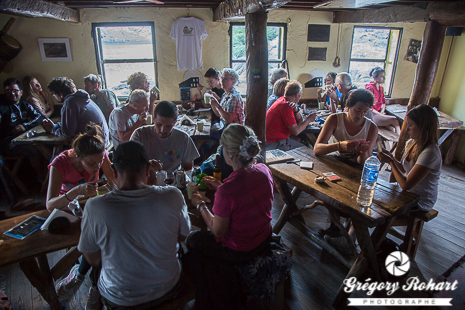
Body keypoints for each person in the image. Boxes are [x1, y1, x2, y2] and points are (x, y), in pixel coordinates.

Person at [78, 140, 191, 309]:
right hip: (168, 288)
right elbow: (183, 235)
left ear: (114, 171)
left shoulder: (95, 206)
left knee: (97, 270)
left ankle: (95, 298)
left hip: (120, 300)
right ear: (148, 169)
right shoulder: (173, 195)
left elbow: (92, 258)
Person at [187, 124, 274, 309]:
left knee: (193, 239)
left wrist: (200, 204)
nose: (221, 152)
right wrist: (220, 186)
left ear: (231, 155)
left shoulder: (228, 190)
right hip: (264, 238)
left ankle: (211, 291)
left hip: (240, 250)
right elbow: (246, 195)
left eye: (223, 149)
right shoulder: (264, 171)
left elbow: (218, 229)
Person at [47, 124, 116, 310]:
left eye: (100, 163)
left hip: (89, 208)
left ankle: (83, 279)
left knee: (103, 238)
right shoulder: (60, 163)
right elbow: (50, 204)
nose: (97, 167)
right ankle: (90, 283)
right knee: (98, 240)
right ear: (78, 157)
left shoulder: (101, 157)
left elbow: (112, 181)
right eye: (92, 164)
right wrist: (75, 191)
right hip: (66, 210)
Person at [378, 105, 441, 212]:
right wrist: (391, 157)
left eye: (411, 125)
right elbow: (404, 170)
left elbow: (406, 185)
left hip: (420, 199)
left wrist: (390, 162)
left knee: (379, 208)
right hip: (406, 193)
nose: (407, 129)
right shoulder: (412, 143)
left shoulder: (430, 153)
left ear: (423, 127)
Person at [131, 100, 199, 173]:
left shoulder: (183, 138)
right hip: (147, 179)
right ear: (153, 120)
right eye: (159, 124)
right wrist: (145, 165)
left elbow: (188, 167)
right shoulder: (140, 134)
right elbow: (129, 164)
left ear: (175, 123)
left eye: (168, 126)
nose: (163, 130)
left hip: (173, 181)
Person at [314, 88, 378, 165]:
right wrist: (339, 146)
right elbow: (317, 149)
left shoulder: (372, 128)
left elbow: (363, 163)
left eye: (365, 111)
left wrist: (363, 152)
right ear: (348, 106)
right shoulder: (334, 119)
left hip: (355, 167)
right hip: (333, 162)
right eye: (358, 110)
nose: (361, 115)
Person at [42, 77, 110, 147]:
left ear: (61, 94)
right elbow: (69, 126)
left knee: (58, 156)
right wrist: (56, 126)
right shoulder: (80, 98)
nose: (53, 96)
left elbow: (68, 132)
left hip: (96, 146)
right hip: (102, 140)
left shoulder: (70, 102)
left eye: (53, 94)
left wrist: (52, 128)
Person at [0, 78, 45, 181]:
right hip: (8, 142)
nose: (12, 93)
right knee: (33, 150)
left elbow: (40, 117)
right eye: (8, 91)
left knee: (43, 146)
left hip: (24, 138)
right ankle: (41, 178)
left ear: (21, 92)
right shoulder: (2, 106)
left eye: (15, 90)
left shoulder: (24, 104)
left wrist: (25, 126)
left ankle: (47, 176)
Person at [265, 80, 316, 151]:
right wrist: (309, 120)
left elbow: (300, 121)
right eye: (300, 94)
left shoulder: (282, 100)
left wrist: (296, 110)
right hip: (274, 143)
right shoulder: (285, 106)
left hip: (272, 140)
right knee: (307, 150)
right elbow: (296, 131)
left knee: (300, 141)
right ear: (297, 95)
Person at [365, 67, 401, 135]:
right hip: (371, 115)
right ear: (375, 78)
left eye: (384, 76)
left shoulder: (381, 88)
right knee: (394, 120)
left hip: (378, 113)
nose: (384, 78)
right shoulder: (370, 88)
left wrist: (382, 111)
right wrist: (380, 114)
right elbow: (369, 107)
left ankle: (396, 143)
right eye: (382, 76)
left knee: (392, 129)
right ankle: (401, 141)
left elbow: (384, 102)